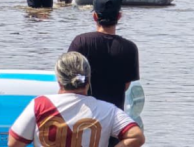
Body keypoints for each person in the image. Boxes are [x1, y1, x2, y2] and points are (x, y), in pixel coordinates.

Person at [8, 52, 145, 147]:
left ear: (59, 80)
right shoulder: (108, 110)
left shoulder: (40, 105)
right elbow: (136, 136)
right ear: (88, 80)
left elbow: (14, 143)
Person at [69, 0, 140, 111]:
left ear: (95, 16)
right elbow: (125, 86)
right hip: (114, 114)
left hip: (85, 114)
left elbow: (68, 78)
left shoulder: (80, 42)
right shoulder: (130, 48)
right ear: (119, 16)